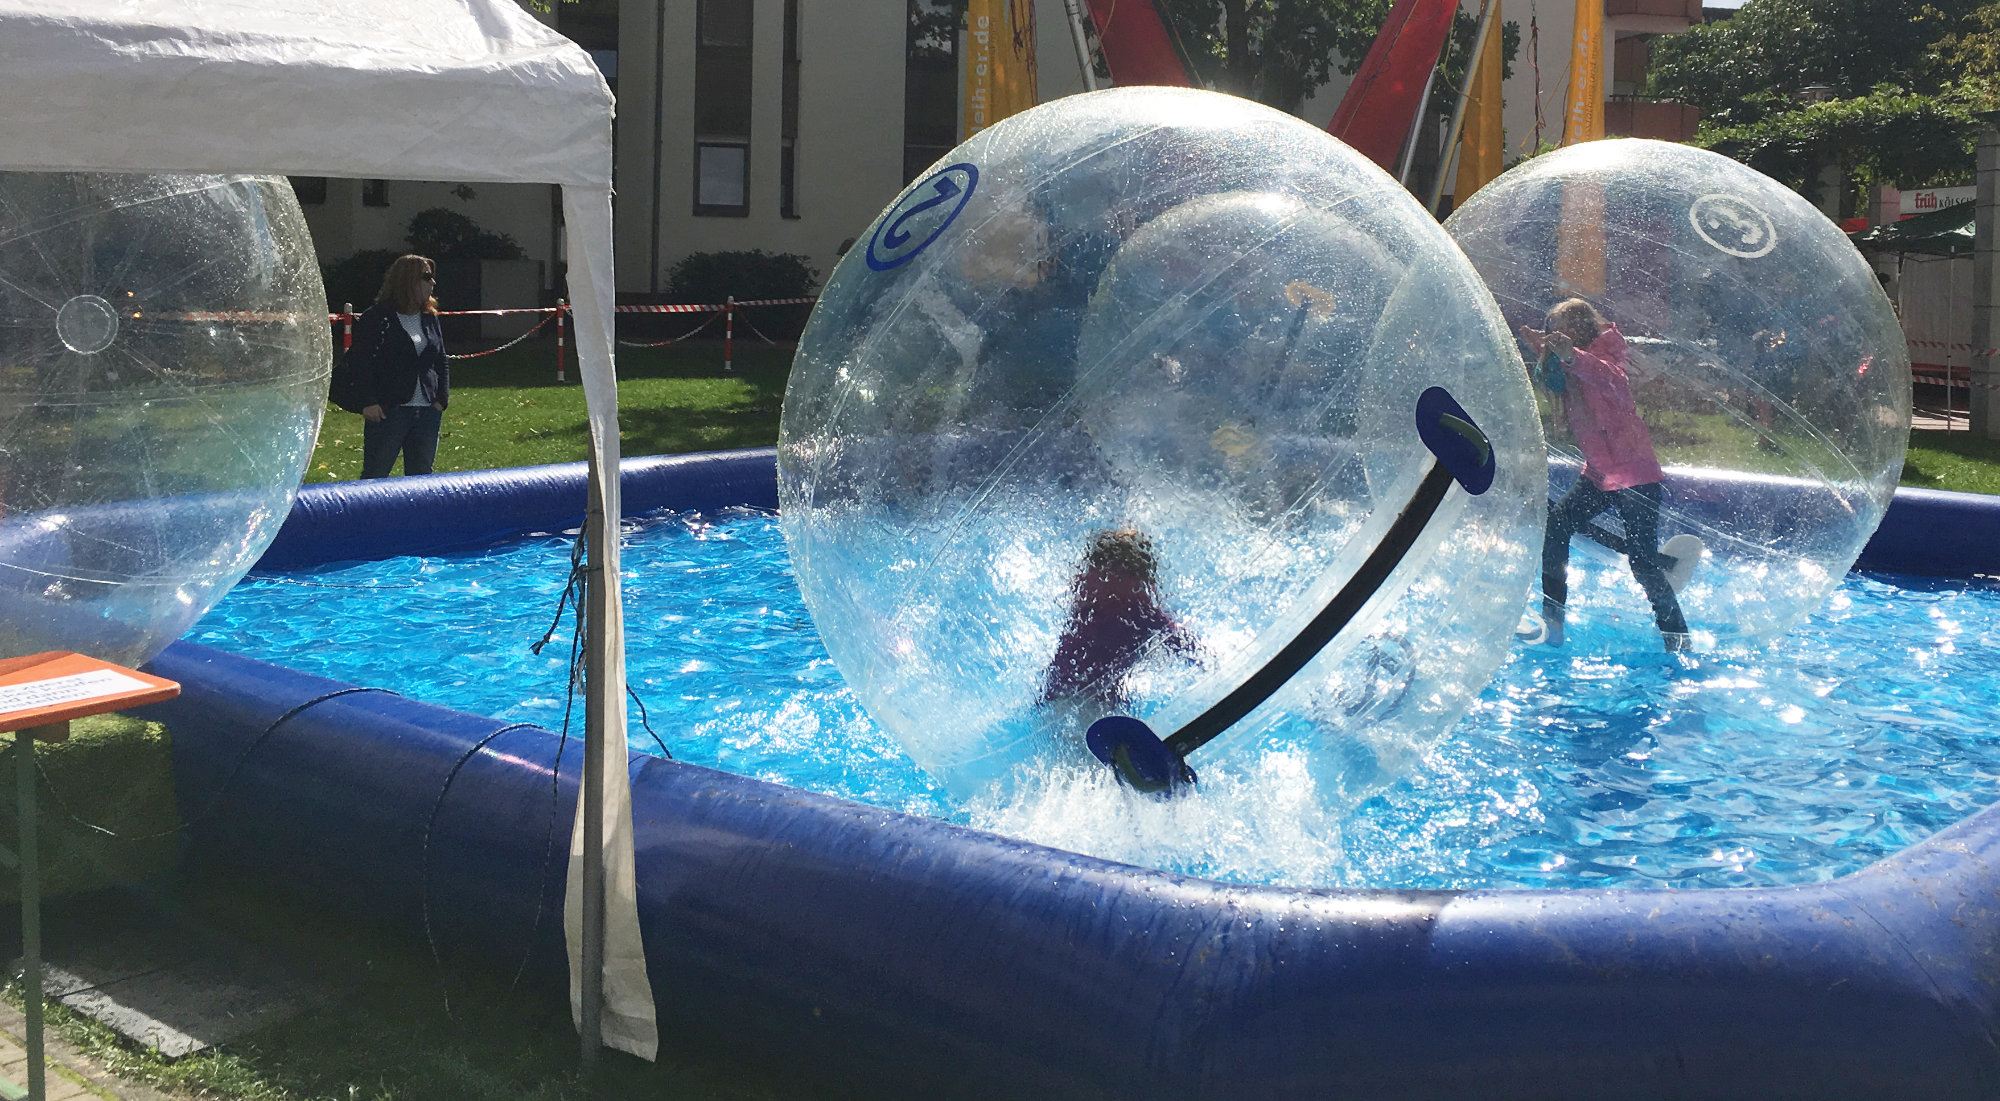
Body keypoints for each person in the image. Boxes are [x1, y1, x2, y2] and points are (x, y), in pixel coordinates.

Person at [1522, 298, 1691, 652]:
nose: (1557, 338)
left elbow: (1610, 380)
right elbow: (1559, 377)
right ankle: (1553, 623)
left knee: (1642, 566)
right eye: (1553, 332)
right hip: (1599, 473)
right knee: (1557, 526)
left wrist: (1573, 357)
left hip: (1634, 476)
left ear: (1581, 330)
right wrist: (1543, 349)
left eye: (1560, 332)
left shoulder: (1608, 356)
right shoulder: (1575, 361)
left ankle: (1679, 642)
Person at [1041, 529, 1204, 718]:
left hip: (1078, 698)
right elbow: (1187, 647)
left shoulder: (1139, 612)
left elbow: (1184, 645)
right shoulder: (1103, 605)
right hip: (1065, 697)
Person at [351, 254, 449, 478]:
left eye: (432, 277)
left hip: (427, 411)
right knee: (376, 474)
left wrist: (441, 399)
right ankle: (370, 514)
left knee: (422, 477)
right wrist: (368, 402)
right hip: (388, 411)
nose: (432, 283)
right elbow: (360, 362)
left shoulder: (430, 318)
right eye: (426, 277)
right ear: (408, 280)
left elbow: (440, 359)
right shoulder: (376, 318)